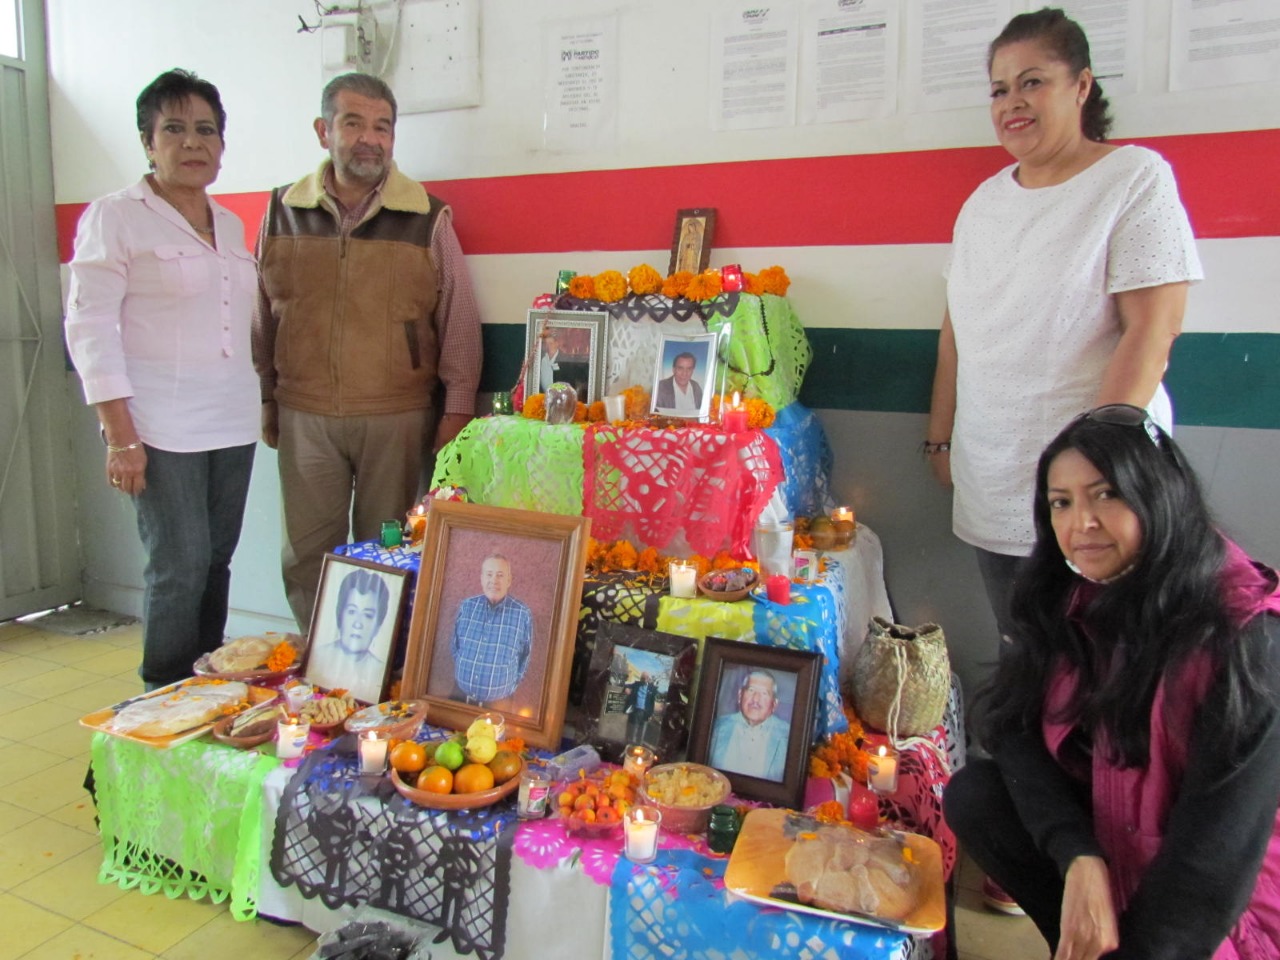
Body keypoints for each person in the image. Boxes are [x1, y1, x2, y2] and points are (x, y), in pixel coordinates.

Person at [943, 406, 1280, 959]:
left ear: (1160, 494)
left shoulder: (1243, 638)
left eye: (1107, 495)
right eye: (1062, 502)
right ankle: (1079, 939)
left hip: (1222, 907)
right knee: (978, 795)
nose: (1082, 523)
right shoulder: (1073, 590)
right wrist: (1078, 854)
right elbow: (1010, 722)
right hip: (1119, 837)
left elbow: (1209, 870)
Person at [926, 7, 1202, 660]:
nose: (1012, 102)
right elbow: (956, 331)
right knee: (1027, 659)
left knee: (1109, 672)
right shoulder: (984, 202)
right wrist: (941, 437)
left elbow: (1152, 331)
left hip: (1097, 494)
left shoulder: (1133, 179)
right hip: (994, 479)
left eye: (1032, 82)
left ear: (1081, 86)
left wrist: (1098, 470)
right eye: (999, 89)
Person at [253, 72, 482, 630]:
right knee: (308, 557)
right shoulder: (281, 211)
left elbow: (458, 320)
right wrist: (267, 399)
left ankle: (385, 671)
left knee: (393, 553)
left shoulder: (428, 216)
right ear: (322, 130)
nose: (369, 139)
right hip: (305, 414)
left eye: (382, 127)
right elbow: (261, 315)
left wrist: (456, 411)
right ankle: (319, 665)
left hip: (397, 418)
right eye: (353, 122)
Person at [65, 69, 258, 690]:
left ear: (222, 146)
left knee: (217, 563)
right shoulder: (115, 217)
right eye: (173, 129)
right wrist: (120, 437)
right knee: (178, 565)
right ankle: (162, 694)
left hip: (231, 420)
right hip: (158, 426)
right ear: (148, 142)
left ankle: (207, 687)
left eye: (206, 130)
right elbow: (89, 326)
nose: (192, 142)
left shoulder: (228, 223)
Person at [450, 554, 534, 706]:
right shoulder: (467, 606)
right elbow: (456, 646)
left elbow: (525, 655)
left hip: (499, 705)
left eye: (500, 575)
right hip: (459, 698)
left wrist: (510, 685)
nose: (494, 580)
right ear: (481, 578)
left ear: (509, 581)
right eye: (489, 574)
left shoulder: (522, 613)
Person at [308, 568, 393, 701]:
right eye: (352, 612)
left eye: (368, 615)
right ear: (340, 616)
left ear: (378, 625)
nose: (357, 624)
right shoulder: (316, 659)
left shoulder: (381, 672)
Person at [709, 670, 790, 781]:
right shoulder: (714, 727)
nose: (756, 699)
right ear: (740, 695)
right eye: (751, 690)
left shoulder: (790, 737)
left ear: (774, 705)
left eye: (764, 693)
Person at [624, 672, 658, 744]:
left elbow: (652, 703)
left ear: (648, 679)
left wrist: (651, 714)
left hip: (645, 712)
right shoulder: (636, 684)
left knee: (642, 731)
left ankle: (638, 746)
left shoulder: (653, 688)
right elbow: (626, 684)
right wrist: (626, 688)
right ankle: (630, 745)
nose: (642, 680)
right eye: (641, 678)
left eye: (644, 678)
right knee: (633, 729)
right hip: (636, 710)